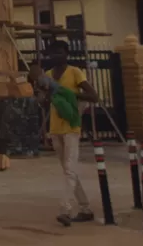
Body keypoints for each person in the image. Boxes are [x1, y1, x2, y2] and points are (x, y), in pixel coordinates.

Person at [46, 39, 99, 227]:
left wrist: (70, 94)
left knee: (69, 169)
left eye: (60, 52)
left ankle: (65, 209)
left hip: (71, 127)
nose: (56, 56)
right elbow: (46, 101)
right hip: (55, 128)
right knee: (69, 171)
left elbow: (94, 96)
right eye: (53, 53)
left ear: (67, 54)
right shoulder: (48, 76)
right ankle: (85, 208)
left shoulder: (75, 72)